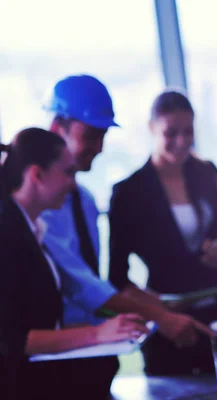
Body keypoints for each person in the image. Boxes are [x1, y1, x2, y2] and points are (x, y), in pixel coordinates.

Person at [40, 75, 212, 395]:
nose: (99, 148)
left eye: (103, 136)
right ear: (56, 128)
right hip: (51, 361)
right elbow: (82, 286)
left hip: (93, 359)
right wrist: (160, 316)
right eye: (91, 135)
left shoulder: (87, 202)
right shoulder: (37, 208)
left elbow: (95, 283)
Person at [0, 128, 149, 399]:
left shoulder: (31, 228)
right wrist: (97, 334)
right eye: (67, 172)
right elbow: (10, 339)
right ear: (37, 175)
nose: (73, 183)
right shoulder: (6, 230)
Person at [108, 90, 217, 375]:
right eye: (170, 133)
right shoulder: (128, 192)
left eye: (188, 132)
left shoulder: (207, 173)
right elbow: (116, 278)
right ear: (151, 128)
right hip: (167, 321)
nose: (181, 142)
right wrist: (157, 311)